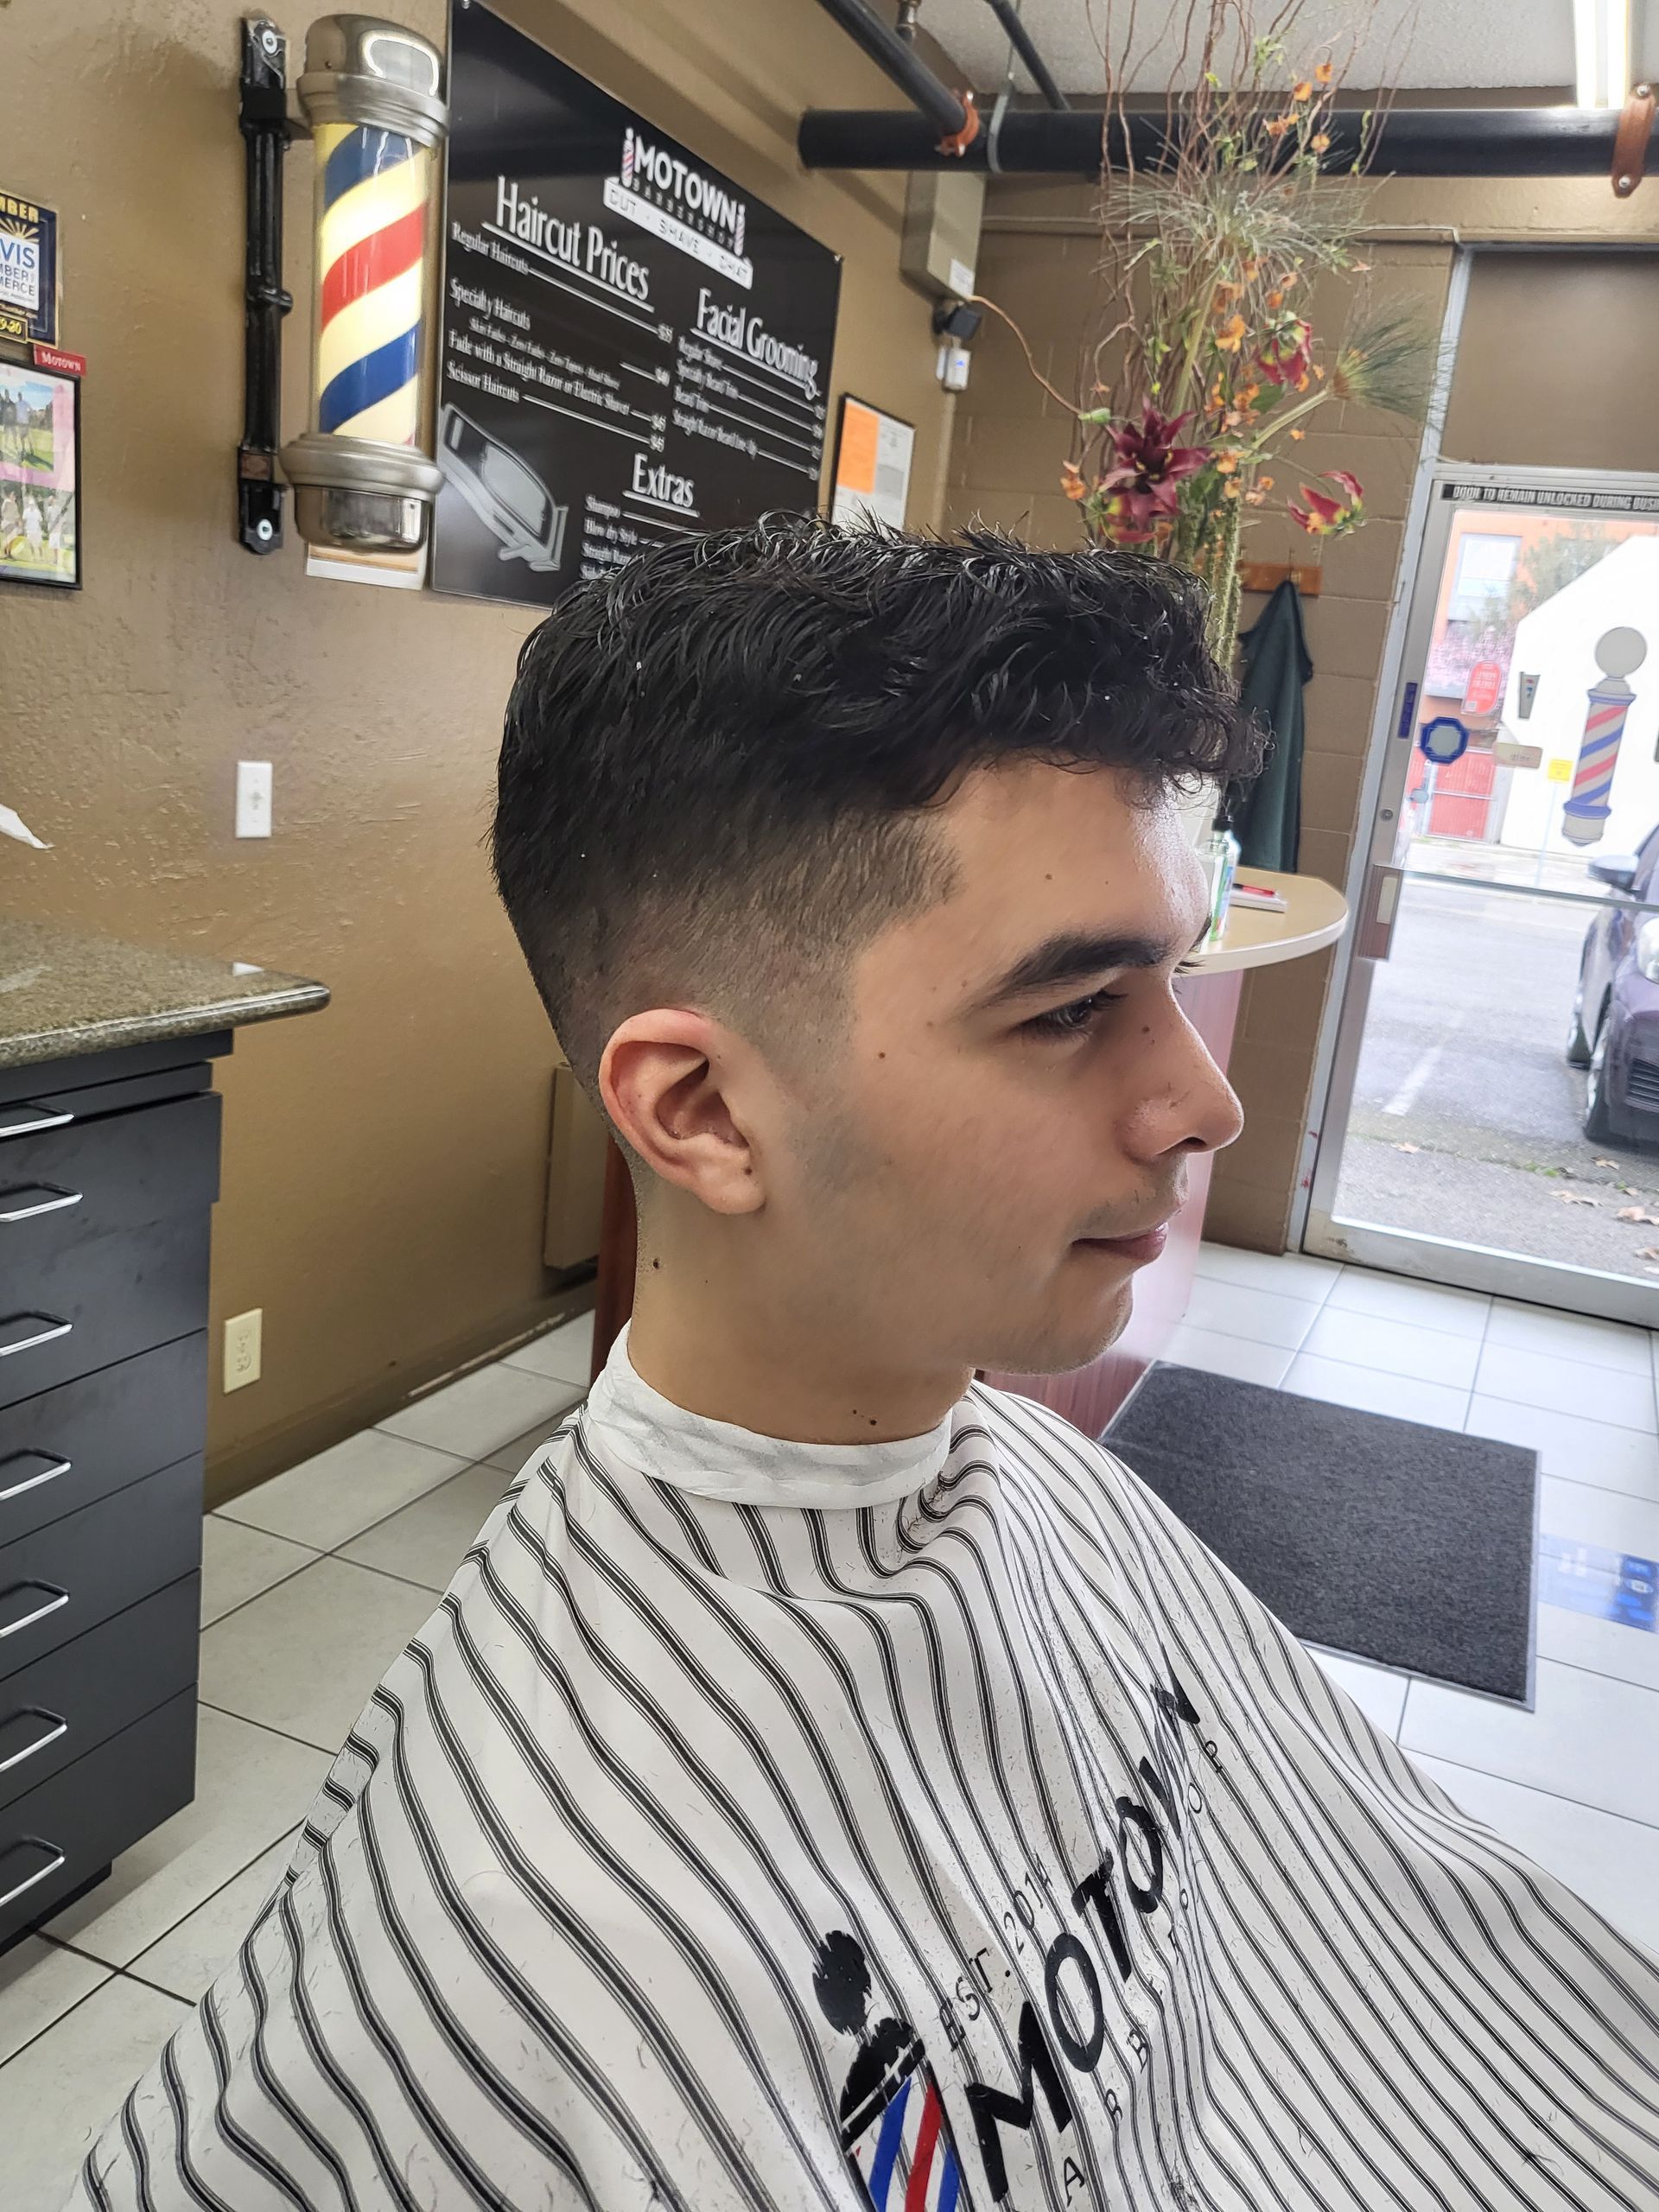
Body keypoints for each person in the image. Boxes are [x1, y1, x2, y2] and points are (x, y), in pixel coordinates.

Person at [74, 519, 1659, 2210]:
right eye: (1071, 1010)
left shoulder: (1033, 1482)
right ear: (702, 1111)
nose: (1205, 1104)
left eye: (1172, 980)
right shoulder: (523, 1911)